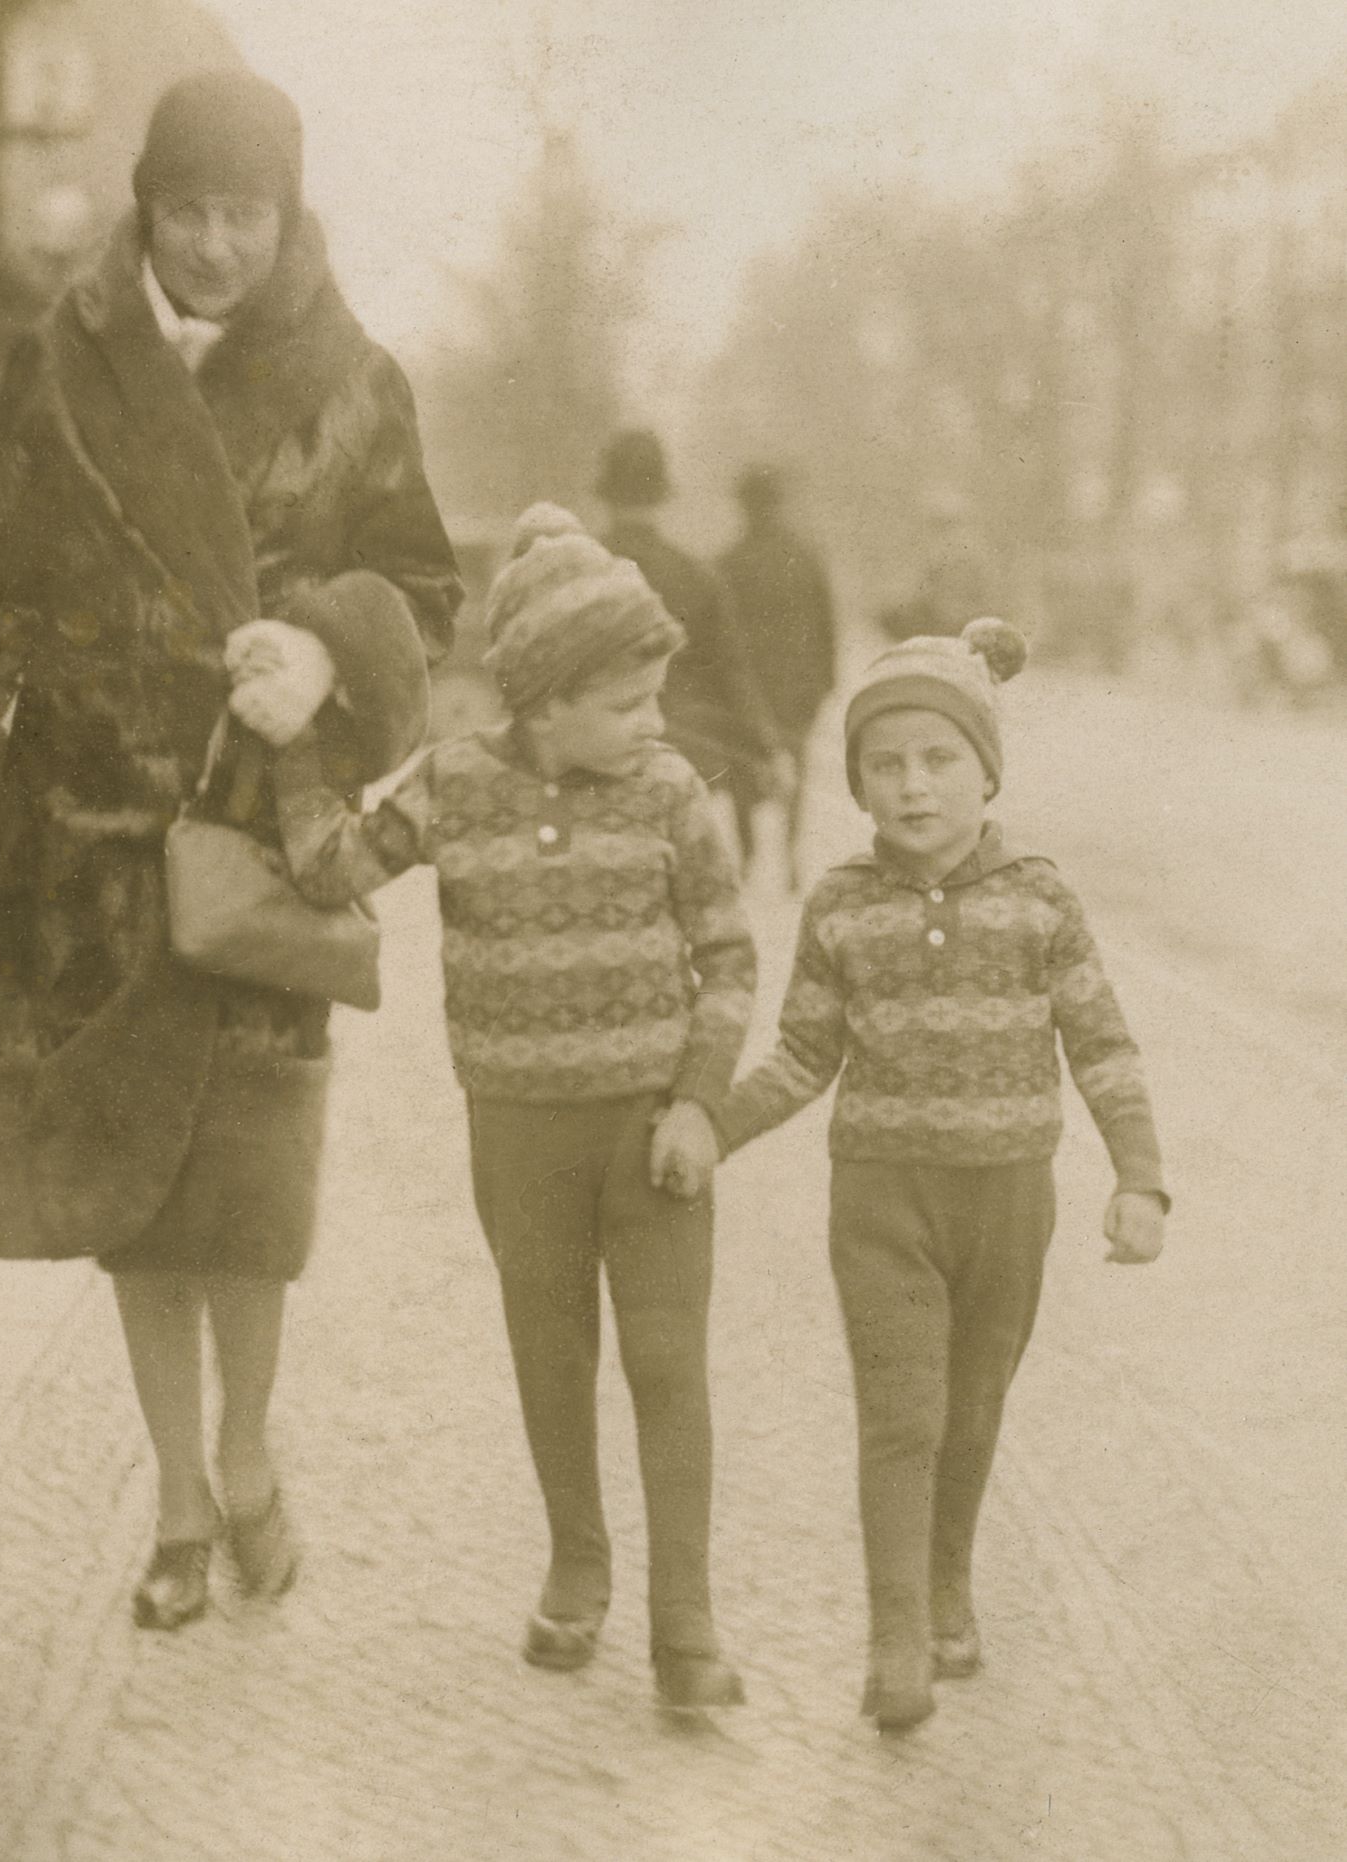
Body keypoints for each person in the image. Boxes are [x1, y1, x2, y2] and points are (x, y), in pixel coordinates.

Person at [0, 70, 461, 1630]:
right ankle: (180, 1505)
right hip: (93, 834)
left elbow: (422, 586)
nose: (210, 245)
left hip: (260, 827)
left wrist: (330, 654)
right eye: (184, 210)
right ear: (146, 205)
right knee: (132, 1197)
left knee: (242, 1188)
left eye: (240, 214)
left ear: (286, 214)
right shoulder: (58, 365)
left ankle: (247, 1454)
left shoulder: (357, 379)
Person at [272, 503, 753, 1710]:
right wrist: (288, 742)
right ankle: (577, 1563)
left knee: (665, 1364)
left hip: (651, 1135)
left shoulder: (670, 794)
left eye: (655, 700)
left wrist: (700, 1103)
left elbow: (731, 959)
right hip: (516, 1133)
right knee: (550, 1355)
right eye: (626, 703)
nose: (652, 726)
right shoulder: (455, 782)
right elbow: (329, 866)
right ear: (541, 701)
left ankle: (684, 1623)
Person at [656, 618, 1169, 1732]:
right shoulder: (841, 903)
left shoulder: (1038, 896)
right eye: (883, 764)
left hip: (1007, 1200)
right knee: (901, 1415)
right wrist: (710, 1127)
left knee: (971, 1412)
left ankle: (946, 1584)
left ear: (986, 770)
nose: (912, 785)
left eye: (939, 759)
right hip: (882, 1201)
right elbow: (800, 1053)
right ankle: (896, 1639)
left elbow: (1101, 1042)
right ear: (856, 785)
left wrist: (1137, 1176)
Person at [592, 428, 787, 838]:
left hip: (590, 753)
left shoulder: (574, 567)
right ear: (662, 494)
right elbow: (733, 674)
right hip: (680, 755)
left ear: (605, 493)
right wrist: (768, 748)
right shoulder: (697, 577)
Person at [716, 463, 836, 888]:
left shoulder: (729, 562)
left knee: (742, 777)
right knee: (794, 771)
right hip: (796, 689)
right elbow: (827, 625)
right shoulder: (805, 557)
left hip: (747, 691)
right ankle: (788, 857)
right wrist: (825, 682)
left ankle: (751, 860)